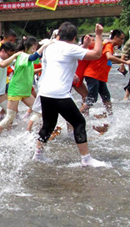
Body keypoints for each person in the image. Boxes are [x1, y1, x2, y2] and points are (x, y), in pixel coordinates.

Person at [33, 22, 107, 167]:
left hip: (45, 92)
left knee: (48, 125)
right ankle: (86, 159)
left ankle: (38, 155)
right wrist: (98, 35)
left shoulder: (50, 47)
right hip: (59, 93)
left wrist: (83, 46)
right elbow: (97, 54)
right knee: (79, 122)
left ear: (59, 35)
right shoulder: (71, 48)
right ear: (74, 38)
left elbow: (64, 58)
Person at [0, 37, 50, 136]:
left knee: (39, 110)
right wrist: (46, 45)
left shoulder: (28, 56)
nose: (34, 50)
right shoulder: (22, 55)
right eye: (33, 48)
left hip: (25, 91)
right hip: (16, 90)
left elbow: (33, 66)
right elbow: (33, 57)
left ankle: (28, 131)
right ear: (26, 47)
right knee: (10, 117)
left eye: (35, 48)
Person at [80, 29, 129, 119]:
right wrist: (125, 62)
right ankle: (75, 116)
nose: (122, 41)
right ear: (115, 37)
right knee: (92, 99)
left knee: (106, 97)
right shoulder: (109, 45)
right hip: (93, 75)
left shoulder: (110, 46)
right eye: (121, 39)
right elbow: (109, 56)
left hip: (100, 77)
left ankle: (111, 117)